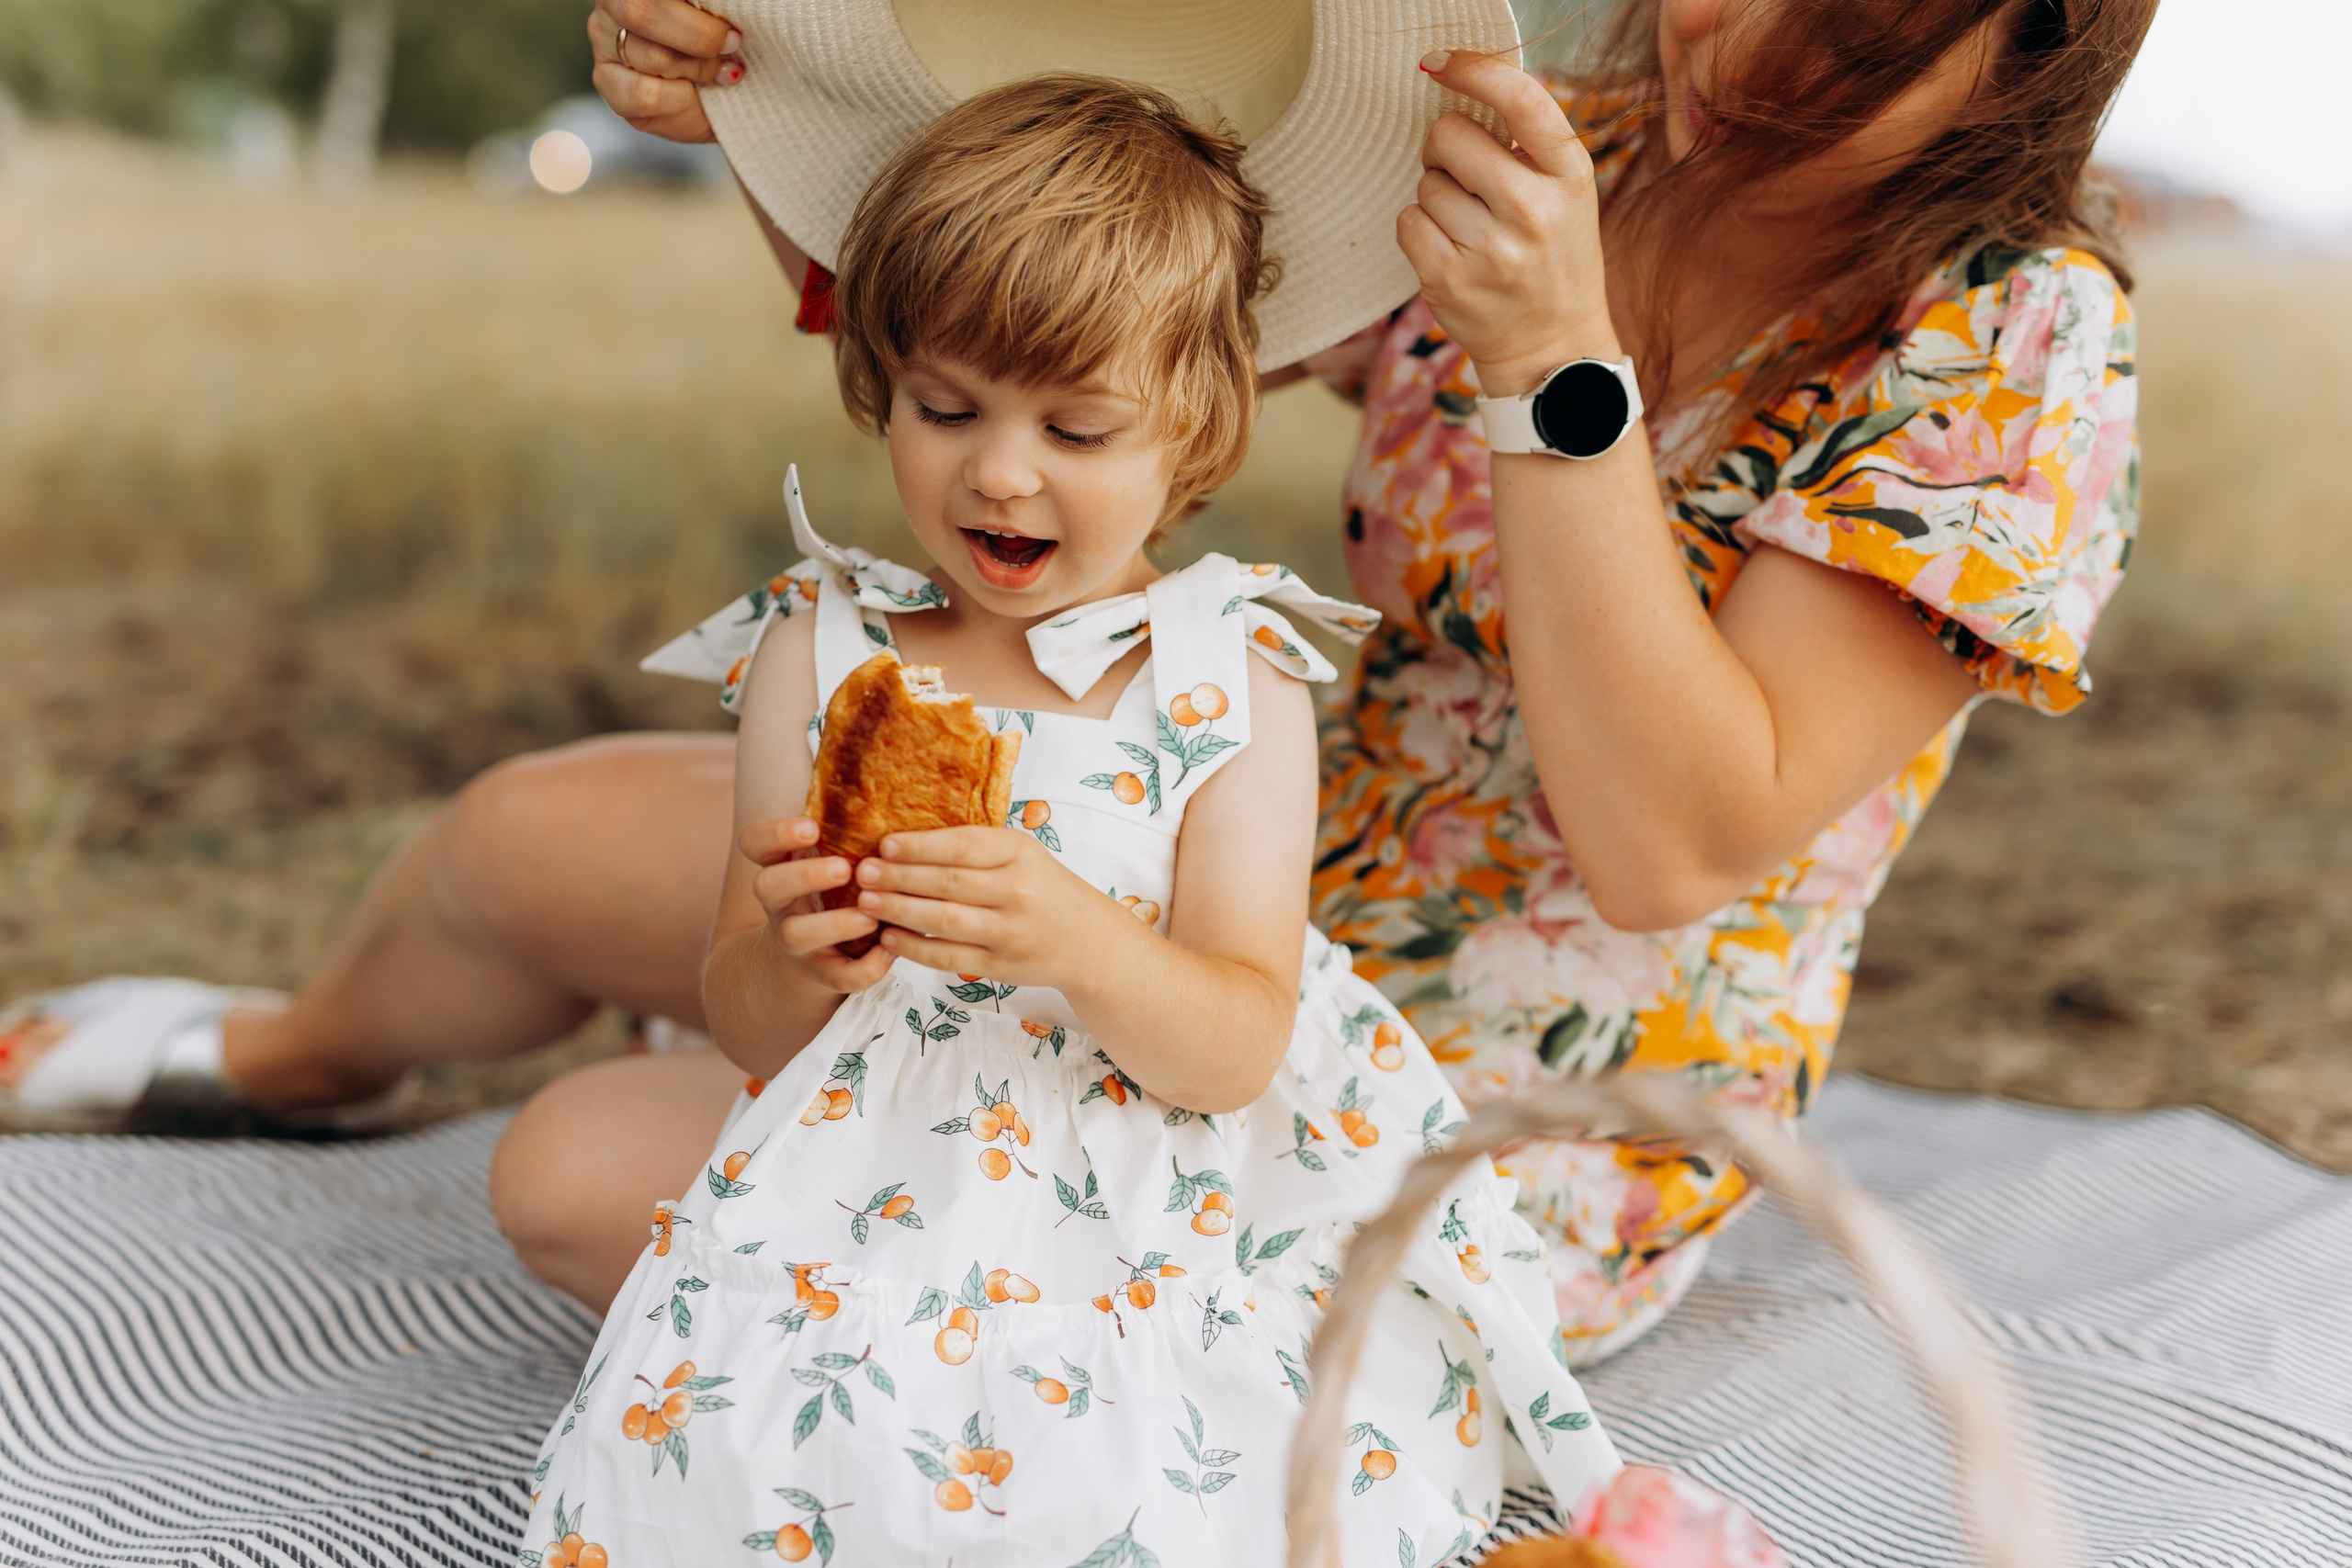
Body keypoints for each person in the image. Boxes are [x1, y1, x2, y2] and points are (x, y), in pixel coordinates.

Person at [0, 0, 2151, 1371]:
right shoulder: (1562, 140)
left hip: (1483, 1092)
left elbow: (1671, 843)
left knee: (594, 1168)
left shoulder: (2011, 336)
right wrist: (760, 98)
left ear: (2031, 48)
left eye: (1843, 34)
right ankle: (283, 1057)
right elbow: (1073, 327)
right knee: (520, 833)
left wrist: (1550, 374)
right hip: (1203, 829)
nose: (1728, 50)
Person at [519, 74, 1615, 1567]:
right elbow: (745, 1020)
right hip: (878, 1170)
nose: (1001, 471)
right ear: (882, 387)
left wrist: (1080, 942)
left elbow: (1235, 1043)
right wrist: (799, 956)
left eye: (1081, 429)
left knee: (1149, 1478)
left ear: (1195, 429)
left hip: (1157, 1187)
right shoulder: (822, 654)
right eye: (945, 409)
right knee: (802, 1467)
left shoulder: (1226, 679)